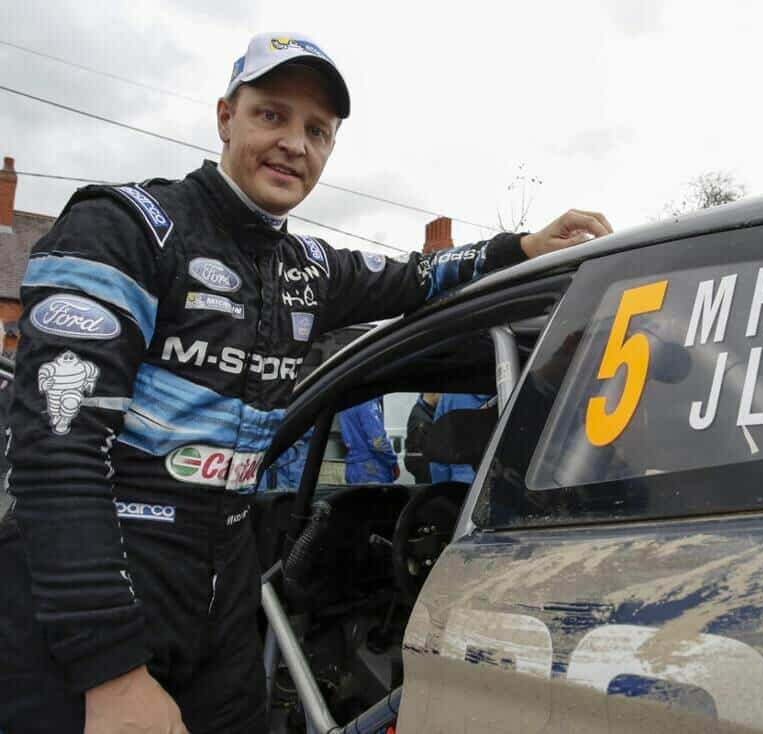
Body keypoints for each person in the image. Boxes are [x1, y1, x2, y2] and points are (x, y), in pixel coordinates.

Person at [0, 31, 612, 734]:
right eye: (272, 115)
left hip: (221, 594)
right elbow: (55, 454)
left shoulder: (307, 269)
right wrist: (109, 669)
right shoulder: (125, 229)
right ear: (225, 117)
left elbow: (416, 277)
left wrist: (521, 247)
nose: (295, 144)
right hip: (87, 602)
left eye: (317, 131)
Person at [429, 392, 492, 483]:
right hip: (501, 480)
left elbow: (438, 456)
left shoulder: (449, 396)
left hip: (460, 485)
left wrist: (442, 486)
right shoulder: (508, 388)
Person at [338, 397, 399, 484]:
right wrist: (393, 463)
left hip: (353, 467)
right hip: (372, 469)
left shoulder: (346, 400)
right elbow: (377, 442)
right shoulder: (367, 402)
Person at [404, 392, 439, 482]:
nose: (444, 397)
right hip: (428, 482)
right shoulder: (419, 420)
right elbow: (413, 459)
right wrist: (435, 476)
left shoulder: (430, 412)